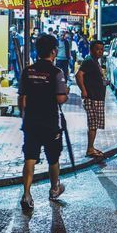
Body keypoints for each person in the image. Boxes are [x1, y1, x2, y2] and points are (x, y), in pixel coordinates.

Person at [19, 34, 69, 213]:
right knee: (53, 158)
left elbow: (22, 99)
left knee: (30, 158)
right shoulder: (56, 72)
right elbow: (61, 98)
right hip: (50, 122)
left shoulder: (28, 71)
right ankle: (54, 189)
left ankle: (26, 194)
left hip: (31, 122)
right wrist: (66, 92)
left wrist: (24, 117)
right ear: (54, 51)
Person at [75, 40, 108, 159]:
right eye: (98, 49)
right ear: (91, 49)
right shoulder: (89, 61)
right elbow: (78, 75)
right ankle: (90, 149)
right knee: (93, 124)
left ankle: (91, 147)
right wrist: (83, 90)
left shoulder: (94, 62)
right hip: (92, 98)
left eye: (102, 49)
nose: (100, 51)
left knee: (95, 124)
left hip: (97, 97)